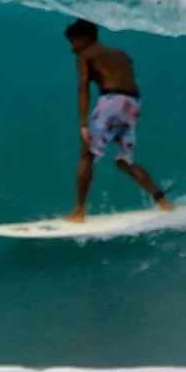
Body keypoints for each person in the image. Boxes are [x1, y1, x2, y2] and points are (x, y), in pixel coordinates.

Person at [63, 18, 172, 221]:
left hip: (111, 101)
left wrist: (83, 123)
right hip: (133, 102)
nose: (72, 49)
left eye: (73, 42)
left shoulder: (86, 55)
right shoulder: (121, 54)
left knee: (87, 154)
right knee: (125, 161)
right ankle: (162, 201)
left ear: (84, 38)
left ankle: (78, 212)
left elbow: (83, 86)